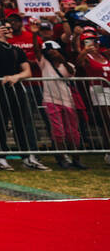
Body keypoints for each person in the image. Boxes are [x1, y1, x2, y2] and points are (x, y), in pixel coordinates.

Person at [0, 21, 49, 170]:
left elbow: (27, 71)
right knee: (0, 123)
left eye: (10, 27)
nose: (9, 29)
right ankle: (1, 157)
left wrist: (16, 77)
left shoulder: (16, 49)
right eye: (6, 27)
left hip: (15, 88)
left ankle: (26, 157)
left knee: (21, 123)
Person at [39, 40, 83, 169]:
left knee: (73, 133)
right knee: (58, 132)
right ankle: (62, 158)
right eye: (48, 51)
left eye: (53, 50)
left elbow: (71, 73)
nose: (51, 52)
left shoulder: (68, 65)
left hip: (68, 101)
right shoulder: (44, 63)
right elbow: (37, 52)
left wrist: (62, 60)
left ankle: (76, 159)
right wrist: (35, 35)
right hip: (51, 100)